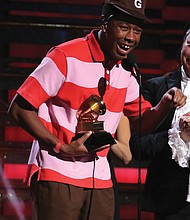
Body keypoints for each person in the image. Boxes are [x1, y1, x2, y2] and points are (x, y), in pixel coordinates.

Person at [7, 0, 186, 219]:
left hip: (100, 177)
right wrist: (61, 147)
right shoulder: (65, 56)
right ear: (104, 24)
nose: (131, 37)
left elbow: (140, 121)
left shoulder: (126, 70)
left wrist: (164, 104)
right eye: (124, 27)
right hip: (57, 171)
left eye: (137, 30)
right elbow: (19, 108)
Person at [130, 27, 190, 220]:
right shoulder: (156, 88)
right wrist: (178, 136)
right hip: (171, 204)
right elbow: (136, 145)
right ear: (181, 47)